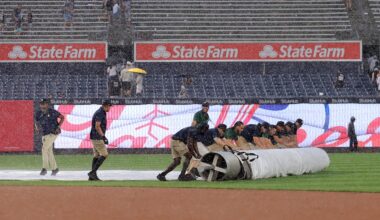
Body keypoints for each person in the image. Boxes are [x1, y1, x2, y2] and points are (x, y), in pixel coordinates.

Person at [34, 99, 65, 176]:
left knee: (44, 149)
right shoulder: (39, 113)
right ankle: (55, 169)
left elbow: (62, 117)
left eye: (43, 104)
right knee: (49, 151)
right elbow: (36, 120)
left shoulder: (52, 112)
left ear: (47, 104)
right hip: (45, 134)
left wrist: (58, 126)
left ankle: (44, 168)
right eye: (41, 104)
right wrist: (36, 127)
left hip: (53, 133)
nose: (42, 105)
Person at [88, 100, 112, 181]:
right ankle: (92, 172)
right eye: (109, 106)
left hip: (94, 136)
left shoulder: (101, 112)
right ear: (106, 105)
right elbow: (97, 126)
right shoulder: (100, 113)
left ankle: (92, 176)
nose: (110, 108)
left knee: (96, 156)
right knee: (105, 154)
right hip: (97, 137)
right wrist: (103, 137)